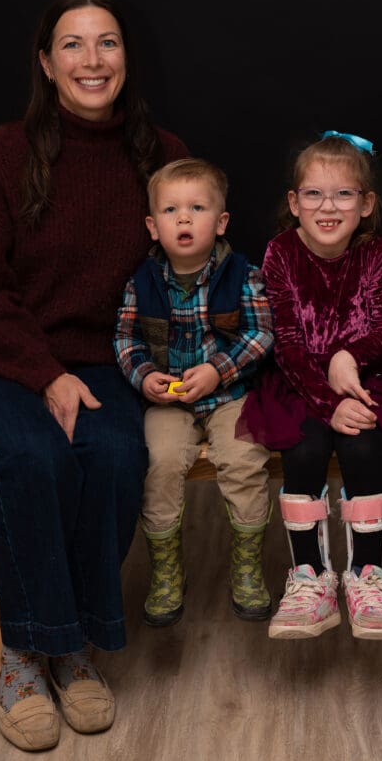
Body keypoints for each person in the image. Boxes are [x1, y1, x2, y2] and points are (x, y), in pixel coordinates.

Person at [0, 0, 189, 750]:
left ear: (126, 59)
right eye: (72, 44)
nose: (91, 59)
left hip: (104, 357)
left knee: (111, 454)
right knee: (33, 455)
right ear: (45, 63)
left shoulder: (160, 155)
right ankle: (23, 657)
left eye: (106, 42)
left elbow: (190, 268)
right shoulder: (7, 152)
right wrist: (43, 374)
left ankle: (72, 648)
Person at [237, 131, 382, 640]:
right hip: (297, 383)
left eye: (344, 194)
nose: (328, 206)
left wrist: (348, 355)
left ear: (366, 204)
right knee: (302, 452)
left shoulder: (375, 254)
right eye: (314, 194)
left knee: (364, 445)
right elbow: (285, 342)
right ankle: (311, 579)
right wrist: (327, 402)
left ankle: (369, 576)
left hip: (367, 382)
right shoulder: (280, 253)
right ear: (294, 203)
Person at [114, 157, 275, 627]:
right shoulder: (141, 283)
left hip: (230, 394)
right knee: (159, 464)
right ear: (152, 225)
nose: (183, 218)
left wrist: (219, 369)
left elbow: (262, 333)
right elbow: (125, 339)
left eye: (197, 208)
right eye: (170, 210)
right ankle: (167, 569)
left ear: (221, 221)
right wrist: (144, 375)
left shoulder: (243, 275)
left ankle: (246, 565)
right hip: (167, 400)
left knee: (245, 460)